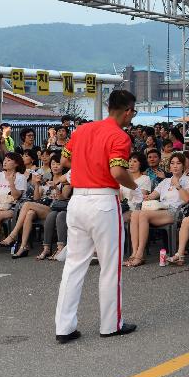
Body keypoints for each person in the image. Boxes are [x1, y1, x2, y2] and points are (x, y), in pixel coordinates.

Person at [54, 89, 140, 343]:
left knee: (74, 266)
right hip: (103, 202)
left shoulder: (82, 130)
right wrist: (134, 187)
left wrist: (87, 163)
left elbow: (64, 159)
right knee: (110, 267)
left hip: (77, 200)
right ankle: (110, 324)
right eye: (132, 112)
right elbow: (117, 172)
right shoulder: (119, 136)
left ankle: (64, 327)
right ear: (127, 111)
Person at [127, 153, 189, 267]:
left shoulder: (187, 180)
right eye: (172, 163)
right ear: (169, 166)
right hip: (160, 209)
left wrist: (178, 186)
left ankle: (140, 255)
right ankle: (134, 253)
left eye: (178, 163)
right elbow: (152, 196)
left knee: (143, 215)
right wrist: (145, 196)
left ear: (183, 166)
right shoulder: (166, 181)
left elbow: (187, 199)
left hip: (176, 211)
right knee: (135, 214)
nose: (175, 166)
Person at [4, 152, 69, 258]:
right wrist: (37, 184)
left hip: (54, 209)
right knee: (29, 213)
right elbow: (37, 198)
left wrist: (56, 188)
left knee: (27, 204)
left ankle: (13, 234)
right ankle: (23, 247)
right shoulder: (47, 179)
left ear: (63, 165)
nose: (55, 166)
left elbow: (63, 198)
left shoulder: (65, 181)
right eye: (53, 164)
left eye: (58, 163)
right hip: (42, 207)